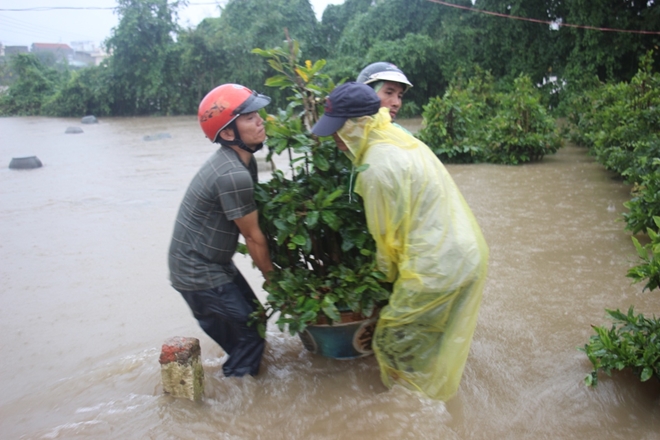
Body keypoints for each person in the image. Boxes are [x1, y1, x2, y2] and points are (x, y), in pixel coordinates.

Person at [311, 82, 489, 401]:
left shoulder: (376, 168)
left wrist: (380, 286)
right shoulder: (402, 139)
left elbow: (387, 242)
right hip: (464, 254)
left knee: (393, 341)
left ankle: (415, 415)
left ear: (358, 125)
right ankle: (435, 400)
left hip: (436, 268)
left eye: (339, 129)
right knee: (429, 340)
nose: (334, 138)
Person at [168, 83, 274, 378]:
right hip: (197, 272)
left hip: (212, 263)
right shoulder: (233, 175)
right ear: (228, 134)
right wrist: (275, 282)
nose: (260, 120)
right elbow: (253, 237)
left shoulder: (243, 163)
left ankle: (239, 379)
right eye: (249, 117)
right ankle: (233, 410)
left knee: (255, 322)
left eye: (257, 114)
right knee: (249, 338)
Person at [357, 61, 413, 133]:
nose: (397, 103)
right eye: (389, 93)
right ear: (366, 95)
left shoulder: (403, 134)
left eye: (399, 96)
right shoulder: (347, 133)